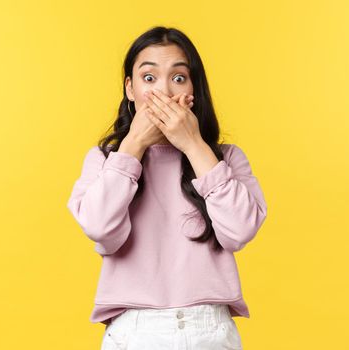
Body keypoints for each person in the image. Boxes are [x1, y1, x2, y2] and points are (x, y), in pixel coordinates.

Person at [67, 25, 268, 350]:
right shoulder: (104, 160)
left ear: (193, 89)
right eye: (149, 78)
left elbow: (240, 230)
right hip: (134, 330)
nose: (164, 91)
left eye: (178, 78)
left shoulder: (226, 159)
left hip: (210, 328)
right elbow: (100, 227)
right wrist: (133, 144)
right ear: (130, 89)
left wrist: (193, 145)